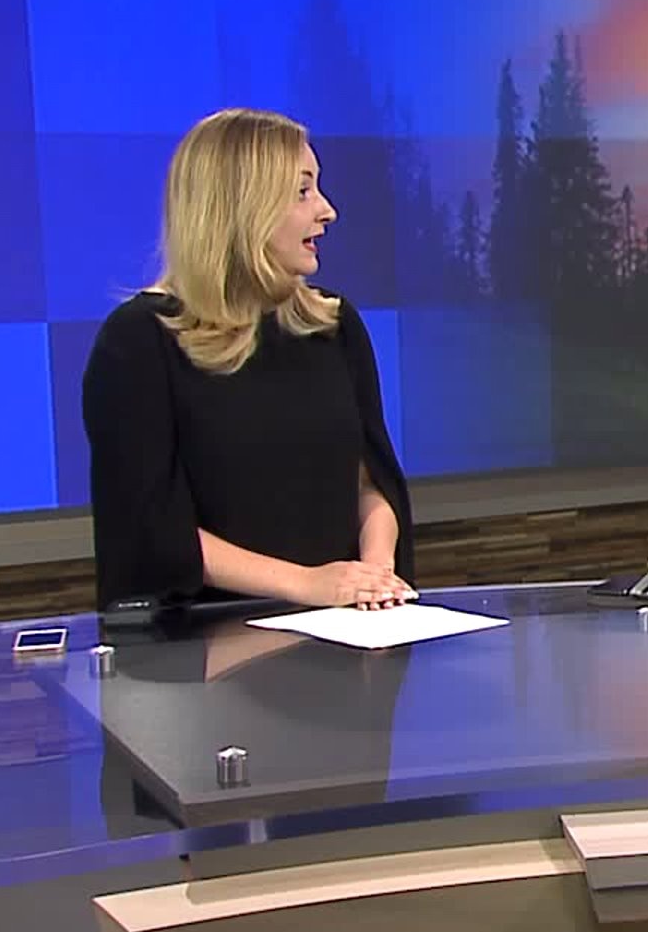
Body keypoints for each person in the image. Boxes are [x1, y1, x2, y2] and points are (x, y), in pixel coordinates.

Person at [82, 108, 416, 612]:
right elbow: (150, 530)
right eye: (302, 191)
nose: (327, 210)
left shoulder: (333, 325)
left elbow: (370, 485)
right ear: (242, 208)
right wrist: (306, 584)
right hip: (202, 643)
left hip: (344, 630)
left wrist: (374, 574)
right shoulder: (138, 342)